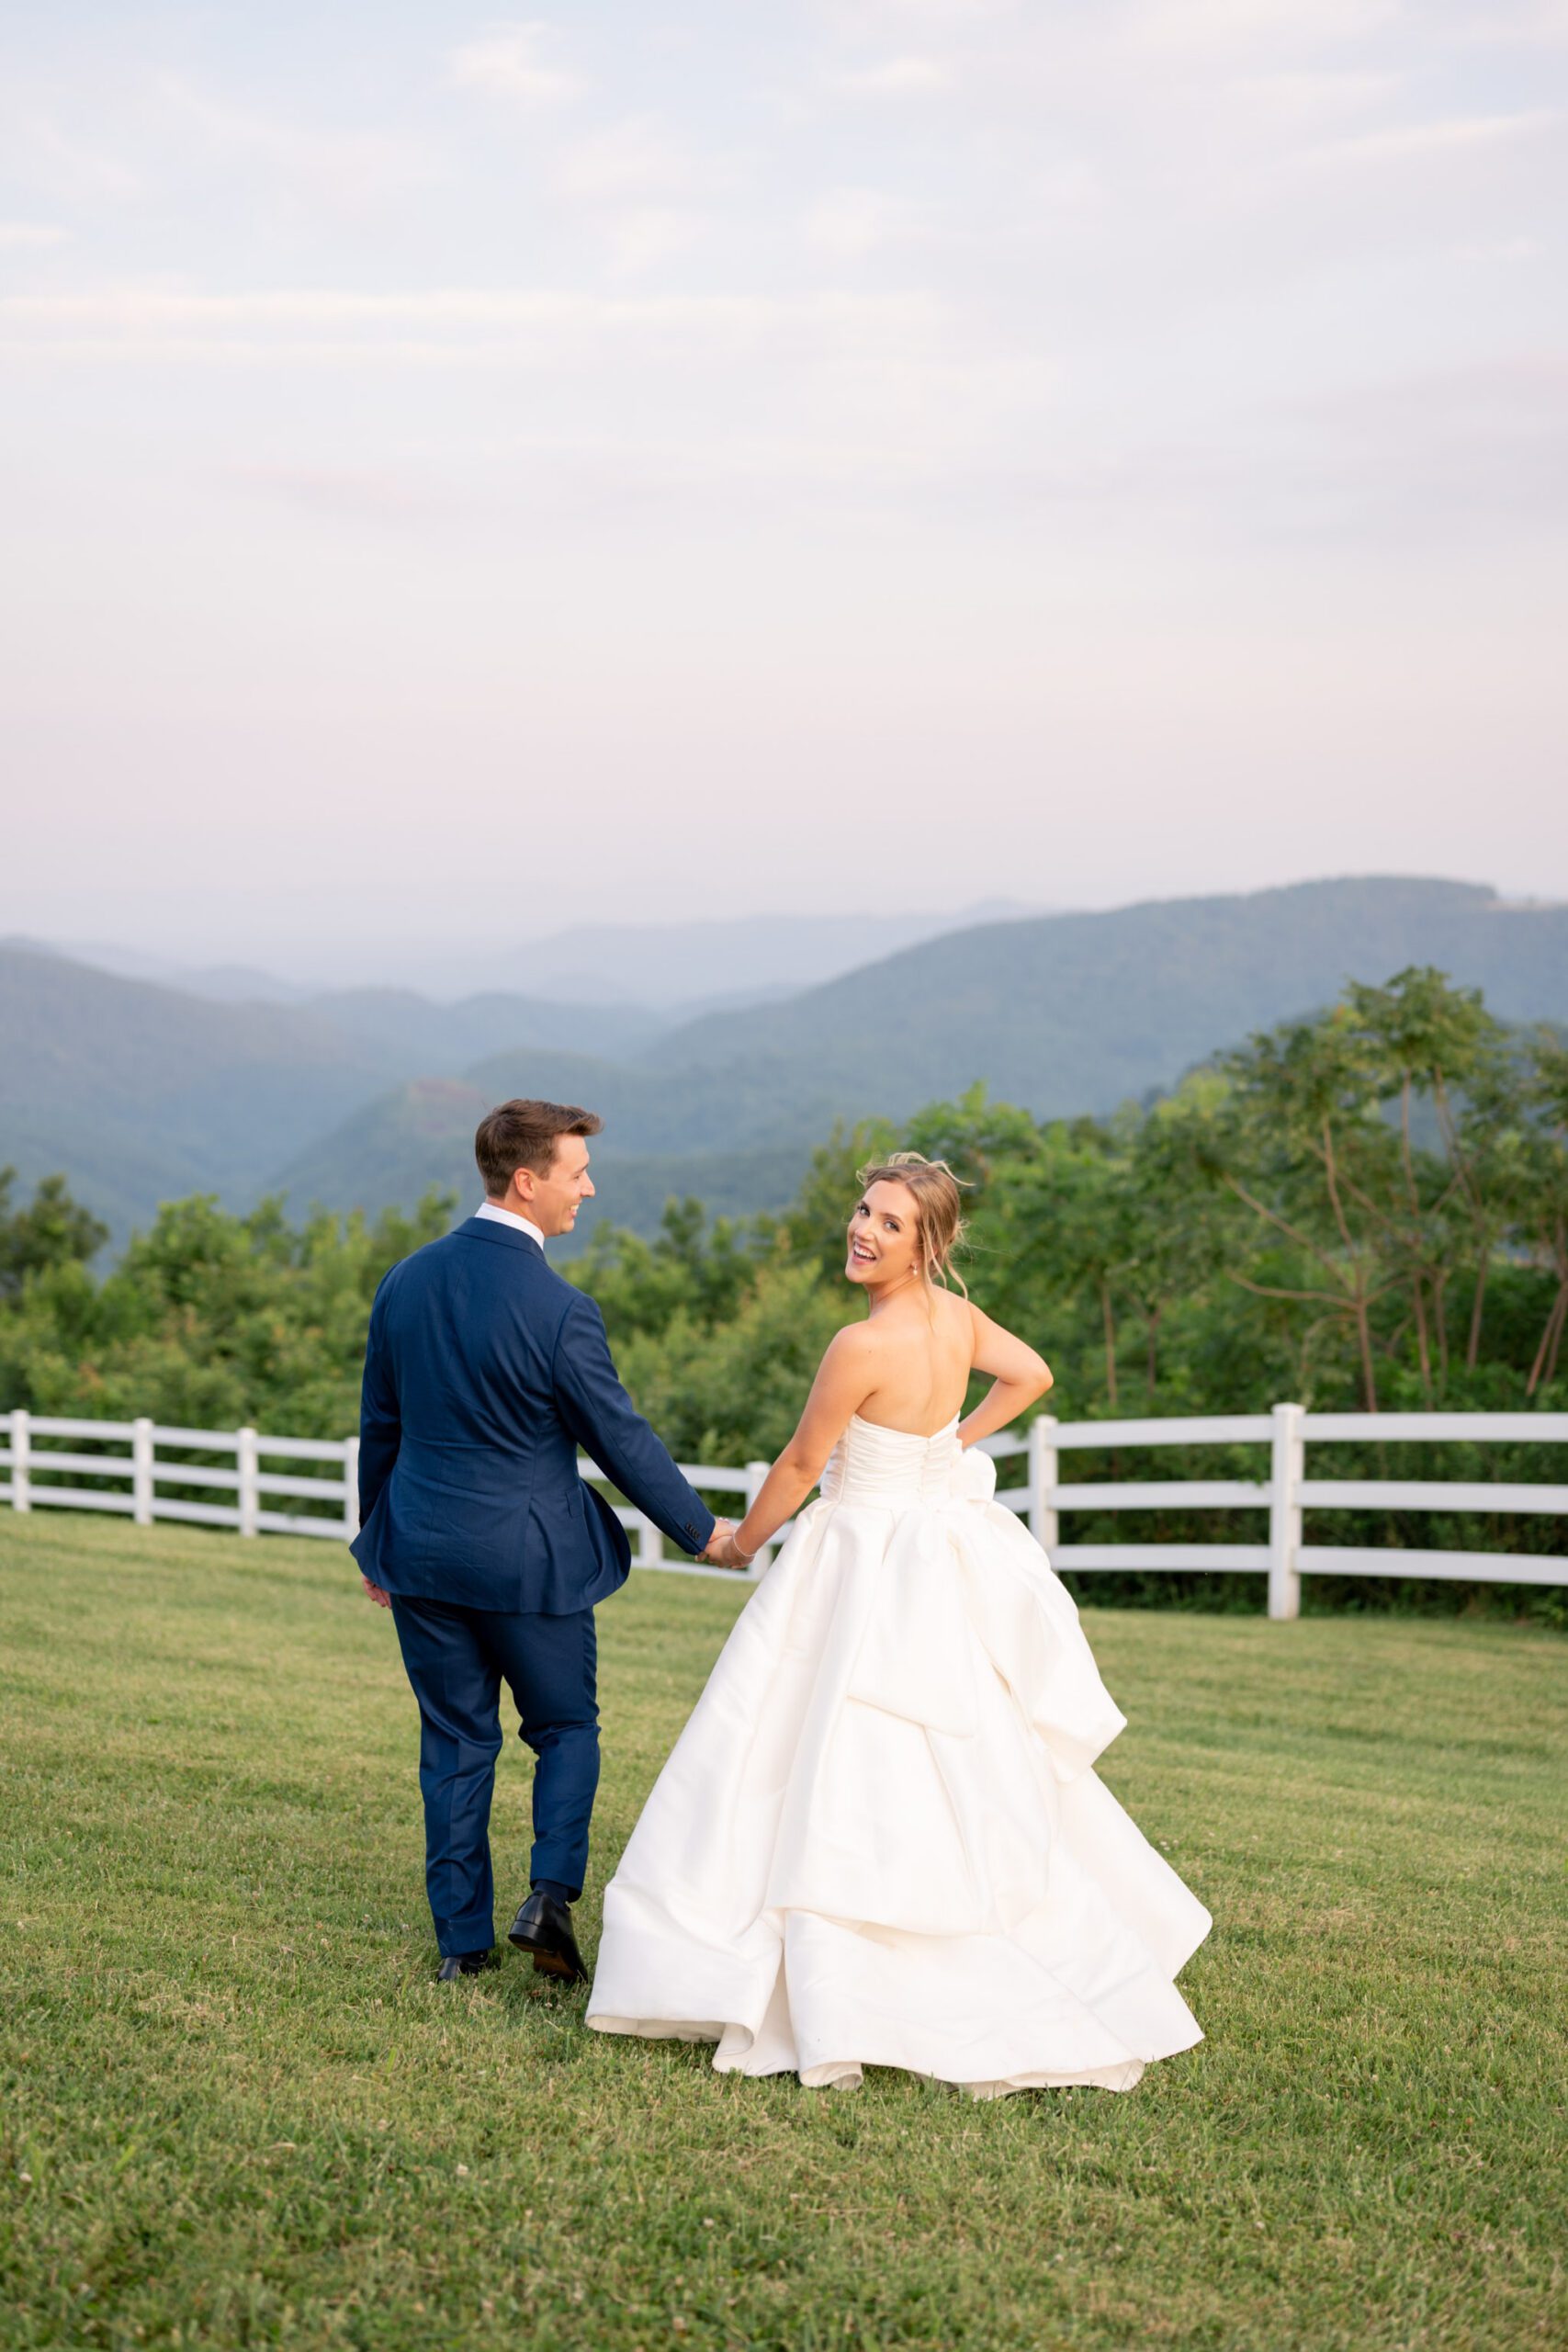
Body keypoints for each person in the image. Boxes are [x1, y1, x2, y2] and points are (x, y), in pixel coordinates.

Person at [587, 1151, 1211, 2095]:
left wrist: (742, 1543)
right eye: (862, 1210)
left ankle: (831, 1944)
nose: (863, 1230)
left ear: (927, 1244)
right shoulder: (957, 1322)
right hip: (928, 1543)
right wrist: (948, 1443)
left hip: (856, 1552)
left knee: (814, 1733)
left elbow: (803, 1465)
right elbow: (1032, 1373)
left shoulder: (858, 1345)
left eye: (888, 1223)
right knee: (936, 1740)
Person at [352, 1098, 735, 1984]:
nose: (588, 1189)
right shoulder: (562, 1309)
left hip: (422, 1553)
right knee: (565, 1727)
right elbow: (620, 1438)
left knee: (454, 1742)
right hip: (531, 1563)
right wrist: (700, 1530)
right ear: (526, 1183)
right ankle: (549, 1899)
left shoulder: (403, 1281)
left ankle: (460, 1948)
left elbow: (381, 1424)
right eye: (576, 1173)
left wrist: (378, 1539)